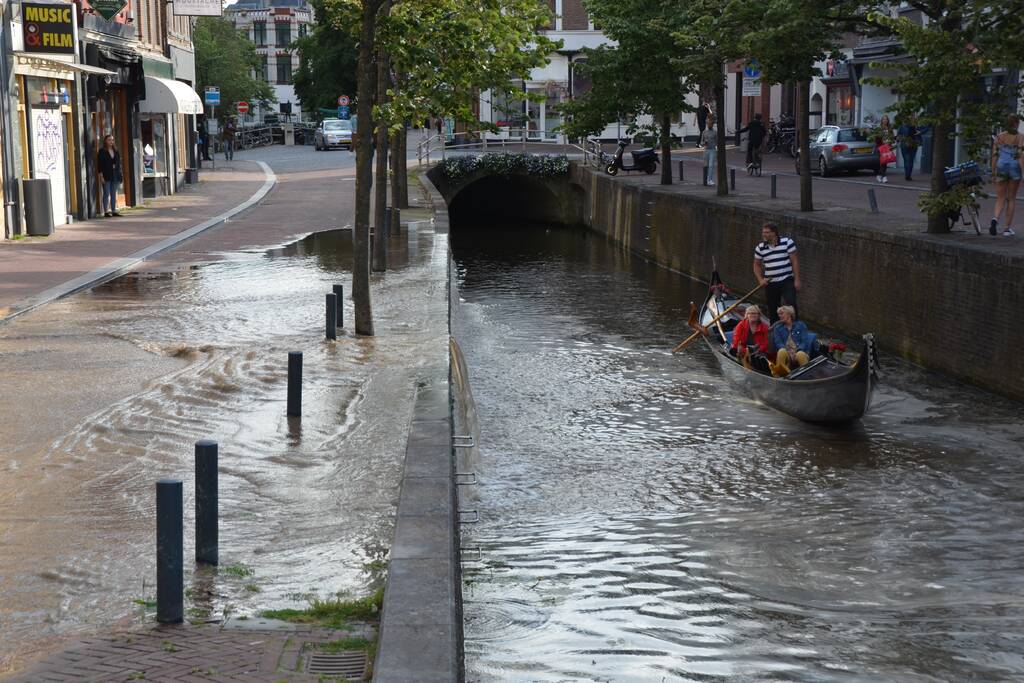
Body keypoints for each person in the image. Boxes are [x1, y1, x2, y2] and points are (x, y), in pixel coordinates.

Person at [753, 222, 800, 323]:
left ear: (774, 233)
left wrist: (797, 280)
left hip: (787, 280)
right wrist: (760, 280)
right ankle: (775, 330)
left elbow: (794, 261)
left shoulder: (787, 242)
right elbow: (756, 265)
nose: (764, 234)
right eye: (763, 232)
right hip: (770, 282)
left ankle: (795, 326)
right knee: (772, 307)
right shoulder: (760, 248)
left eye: (767, 232)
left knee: (791, 303)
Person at [990, 113, 1023, 237]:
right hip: (1014, 167)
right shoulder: (1020, 137)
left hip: (1001, 166)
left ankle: (995, 219)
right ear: (1016, 123)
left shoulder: (999, 137)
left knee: (1000, 198)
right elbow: (1021, 155)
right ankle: (1006, 229)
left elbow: (994, 155)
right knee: (1011, 198)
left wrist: (993, 171)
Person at [769, 305, 817, 376]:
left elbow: (804, 341)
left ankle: (808, 376)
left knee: (800, 354)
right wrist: (789, 352)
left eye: (782, 313)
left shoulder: (801, 325)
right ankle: (778, 376)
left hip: (800, 351)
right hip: (787, 353)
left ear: (789, 314)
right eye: (779, 314)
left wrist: (797, 351)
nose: (779, 316)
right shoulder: (777, 328)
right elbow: (778, 343)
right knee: (781, 351)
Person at [730, 304, 771, 373]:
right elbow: (736, 340)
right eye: (751, 313)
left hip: (758, 351)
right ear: (747, 315)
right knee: (733, 351)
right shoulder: (741, 325)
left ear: (759, 315)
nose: (753, 315)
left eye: (756, 313)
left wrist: (758, 350)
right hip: (743, 350)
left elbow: (766, 343)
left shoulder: (764, 327)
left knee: (758, 358)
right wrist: (743, 350)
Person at [96, 134, 123, 218]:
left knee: (113, 193)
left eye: (112, 140)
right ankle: (106, 211)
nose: (111, 142)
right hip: (106, 175)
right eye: (109, 140)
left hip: (115, 174)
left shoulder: (116, 151)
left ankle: (114, 210)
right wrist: (101, 176)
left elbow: (119, 164)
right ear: (105, 141)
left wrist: (120, 174)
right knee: (106, 193)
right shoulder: (102, 151)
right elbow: (99, 164)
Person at [896, 116, 921, 181]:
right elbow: (899, 136)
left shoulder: (913, 126)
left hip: (912, 145)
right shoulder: (904, 126)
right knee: (909, 160)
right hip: (906, 145)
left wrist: (919, 133)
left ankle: (908, 175)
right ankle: (908, 175)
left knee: (908, 160)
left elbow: (898, 136)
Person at [874, 114, 894, 183]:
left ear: (888, 121)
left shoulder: (889, 128)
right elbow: (876, 139)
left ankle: (879, 176)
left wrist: (891, 143)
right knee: (882, 162)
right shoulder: (879, 128)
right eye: (884, 119)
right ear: (882, 121)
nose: (885, 120)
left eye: (886, 119)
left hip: (887, 147)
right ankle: (884, 177)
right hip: (881, 147)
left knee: (885, 162)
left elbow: (892, 137)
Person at [702, 118, 717, 185]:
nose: (709, 125)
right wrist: (704, 142)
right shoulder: (704, 132)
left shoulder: (715, 132)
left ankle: (709, 180)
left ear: (713, 124)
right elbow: (701, 142)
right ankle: (706, 179)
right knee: (706, 165)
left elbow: (717, 141)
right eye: (708, 124)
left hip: (712, 150)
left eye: (710, 124)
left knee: (711, 165)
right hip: (706, 150)